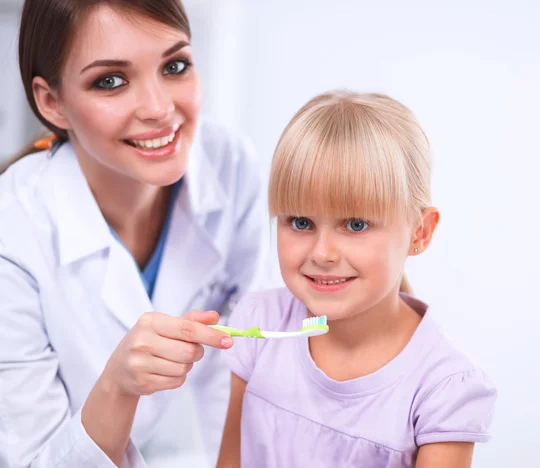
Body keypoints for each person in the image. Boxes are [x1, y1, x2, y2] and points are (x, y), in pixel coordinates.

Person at [0, 1, 267, 467]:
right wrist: (117, 386)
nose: (161, 109)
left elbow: (239, 374)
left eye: (175, 66)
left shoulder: (230, 165)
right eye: (110, 81)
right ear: (51, 102)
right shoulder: (13, 231)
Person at [217, 91, 497, 468]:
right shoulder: (260, 324)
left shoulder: (443, 387)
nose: (322, 253)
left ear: (419, 232)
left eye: (355, 224)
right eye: (300, 222)